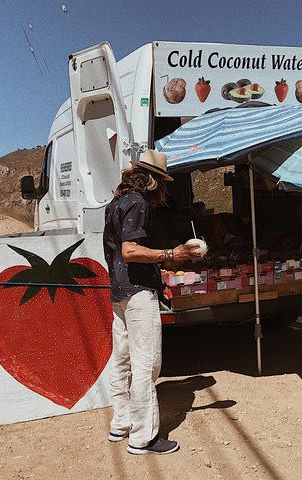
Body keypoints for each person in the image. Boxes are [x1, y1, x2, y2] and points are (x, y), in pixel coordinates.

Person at [102, 149, 202, 455]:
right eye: (163, 183)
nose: (164, 191)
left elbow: (120, 251)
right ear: (154, 182)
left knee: (122, 358)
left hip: (119, 291)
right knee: (147, 364)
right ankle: (143, 438)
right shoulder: (139, 202)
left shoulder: (116, 202)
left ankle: (121, 424)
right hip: (137, 291)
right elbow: (131, 251)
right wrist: (173, 254)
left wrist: (161, 260)